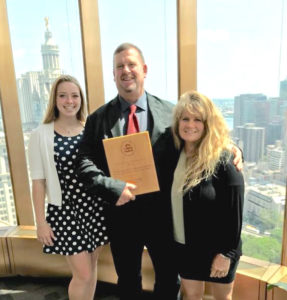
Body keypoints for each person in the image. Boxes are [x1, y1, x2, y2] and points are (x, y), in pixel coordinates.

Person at [76, 43, 242, 300]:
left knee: (168, 279)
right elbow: (84, 163)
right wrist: (111, 187)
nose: (126, 71)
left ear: (143, 70)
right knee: (128, 280)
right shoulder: (98, 119)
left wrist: (231, 147)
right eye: (120, 66)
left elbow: (200, 136)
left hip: (164, 216)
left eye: (131, 65)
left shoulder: (170, 112)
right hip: (121, 216)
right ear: (113, 74)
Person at [28, 75, 109, 300]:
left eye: (74, 95)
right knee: (82, 273)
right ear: (54, 100)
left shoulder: (90, 129)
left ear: (81, 99)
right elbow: (38, 182)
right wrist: (40, 223)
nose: (69, 101)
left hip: (94, 209)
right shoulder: (41, 135)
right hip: (65, 211)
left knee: (92, 268)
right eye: (62, 95)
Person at [158, 91, 244, 300]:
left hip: (219, 250)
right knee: (191, 296)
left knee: (222, 298)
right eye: (185, 119)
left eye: (198, 119)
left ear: (208, 124)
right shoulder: (172, 153)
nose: (190, 125)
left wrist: (226, 255)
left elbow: (235, 213)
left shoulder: (224, 160)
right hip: (185, 248)